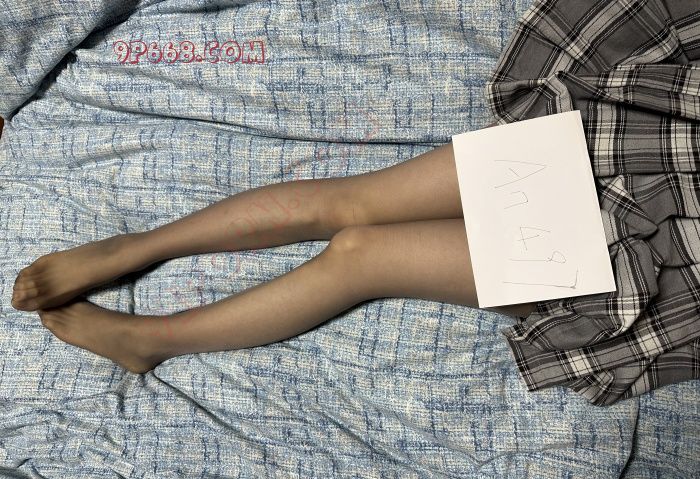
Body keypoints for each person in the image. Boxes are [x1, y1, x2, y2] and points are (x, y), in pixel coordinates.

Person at [11, 142, 537, 374]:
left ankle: (150, 340)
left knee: (362, 253)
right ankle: (137, 248)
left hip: (592, 267)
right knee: (353, 203)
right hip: (587, 151)